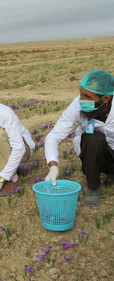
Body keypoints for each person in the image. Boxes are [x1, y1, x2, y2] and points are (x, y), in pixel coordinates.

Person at [44, 69, 114, 206]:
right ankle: (93, 188)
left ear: (106, 98)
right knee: (93, 138)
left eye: (87, 97)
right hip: (97, 157)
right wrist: (53, 166)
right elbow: (54, 136)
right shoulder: (77, 105)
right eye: (81, 94)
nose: (82, 100)